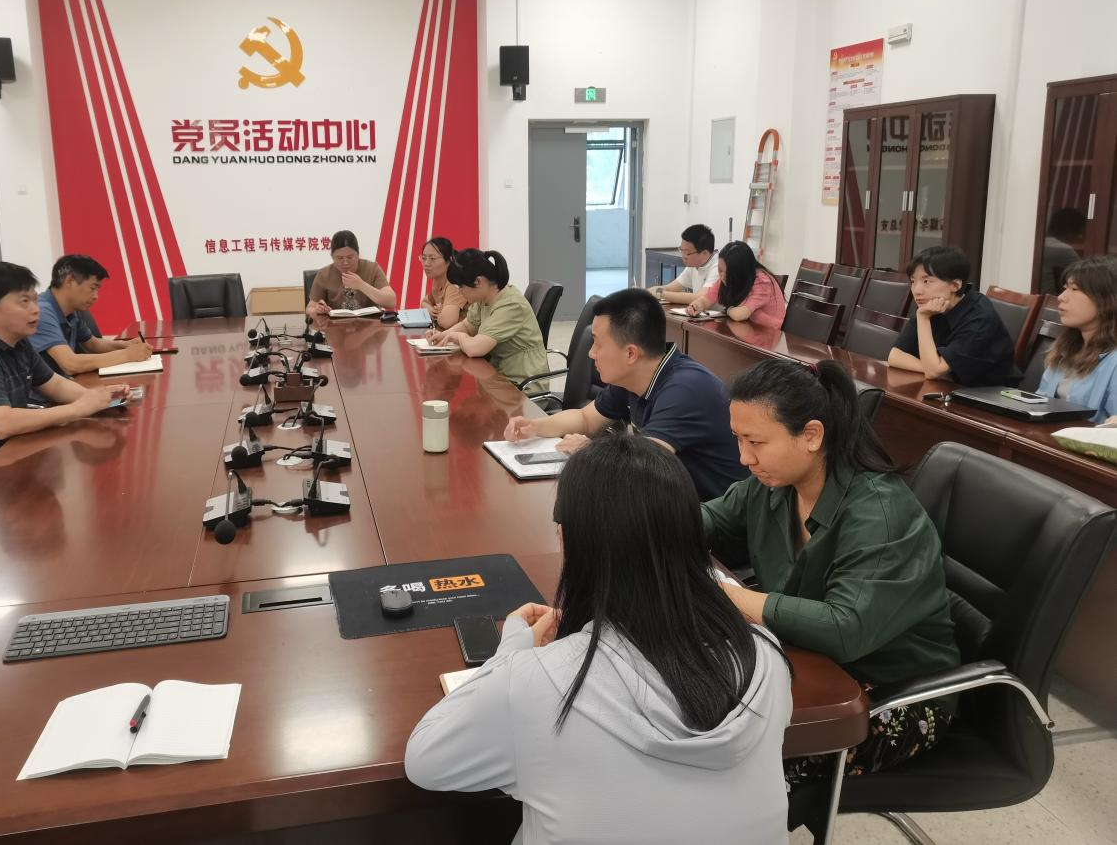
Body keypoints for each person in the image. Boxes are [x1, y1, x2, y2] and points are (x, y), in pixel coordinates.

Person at [405, 433, 793, 845]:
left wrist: (511, 652)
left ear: (567, 538)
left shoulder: (538, 684)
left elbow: (425, 760)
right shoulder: (765, 656)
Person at [701, 358, 959, 830]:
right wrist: (634, 517)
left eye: (756, 442)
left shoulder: (879, 513)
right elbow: (708, 519)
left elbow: (845, 629)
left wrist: (726, 596)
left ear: (812, 436)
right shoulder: (774, 485)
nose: (743, 458)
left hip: (893, 695)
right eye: (738, 439)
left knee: (729, 768)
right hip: (809, 664)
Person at [505, 288, 747, 500]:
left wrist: (591, 451)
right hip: (670, 500)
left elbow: (641, 468)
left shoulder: (685, 390)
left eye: (597, 343)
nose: (591, 353)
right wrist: (535, 426)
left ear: (631, 353)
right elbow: (586, 419)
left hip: (714, 520)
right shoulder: (632, 376)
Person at [0, 262, 129, 470]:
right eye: (24, 302)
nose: (35, 309)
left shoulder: (18, 342)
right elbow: (1, 424)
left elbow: (54, 385)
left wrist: (96, 398)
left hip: (8, 453)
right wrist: (78, 408)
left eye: (35, 300)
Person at [887, 245, 1020, 385]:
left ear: (955, 285)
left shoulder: (979, 317)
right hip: (949, 386)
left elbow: (934, 372)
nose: (917, 290)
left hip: (989, 393)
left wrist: (923, 319)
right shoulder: (929, 306)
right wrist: (930, 368)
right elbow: (895, 356)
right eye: (913, 281)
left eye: (926, 281)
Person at [427, 249, 548, 386]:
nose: (459, 292)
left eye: (461, 286)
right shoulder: (484, 299)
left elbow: (475, 349)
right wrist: (443, 336)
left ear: (478, 281)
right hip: (498, 376)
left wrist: (458, 337)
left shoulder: (510, 305)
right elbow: (467, 326)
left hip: (521, 385)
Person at [29, 254, 152, 376]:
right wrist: (127, 355)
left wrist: (126, 345)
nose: (95, 296)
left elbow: (92, 345)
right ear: (69, 281)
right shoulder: (41, 312)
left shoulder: (72, 310)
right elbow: (70, 364)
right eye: (92, 288)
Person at [1036, 255, 1117, 424]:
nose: (1061, 297)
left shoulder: (1113, 360)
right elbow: (1040, 403)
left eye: (1074, 289)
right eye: (1065, 288)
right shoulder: (1067, 346)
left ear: (1107, 300)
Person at [685, 240, 787, 328]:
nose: (722, 276)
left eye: (727, 273)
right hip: (745, 328)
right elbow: (706, 299)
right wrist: (696, 306)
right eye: (720, 270)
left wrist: (728, 309)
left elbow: (740, 315)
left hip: (766, 334)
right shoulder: (727, 277)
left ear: (739, 272)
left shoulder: (762, 282)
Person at [306, 230, 397, 317]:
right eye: (340, 258)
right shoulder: (324, 274)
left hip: (370, 325)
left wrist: (361, 285)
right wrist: (317, 309)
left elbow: (391, 302)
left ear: (358, 254)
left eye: (350, 257)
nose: (345, 262)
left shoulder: (372, 269)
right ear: (332, 257)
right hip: (336, 325)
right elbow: (310, 308)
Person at [649, 223, 718, 305]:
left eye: (687, 252)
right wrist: (647, 292)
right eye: (682, 250)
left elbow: (701, 297)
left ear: (705, 253)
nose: (684, 256)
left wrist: (660, 294)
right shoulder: (693, 265)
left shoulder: (717, 266)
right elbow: (670, 288)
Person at [418, 236, 466, 328]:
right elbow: (424, 303)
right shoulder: (437, 282)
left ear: (448, 261)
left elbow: (447, 322)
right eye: (423, 258)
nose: (426, 264)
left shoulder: (455, 285)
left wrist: (440, 313)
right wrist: (432, 311)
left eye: (432, 258)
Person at [1039, 207, 1084, 295]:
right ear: (1071, 230)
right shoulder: (1063, 250)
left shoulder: (1040, 244)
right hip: (1052, 298)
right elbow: (1086, 278)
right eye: (1080, 231)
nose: (1080, 236)